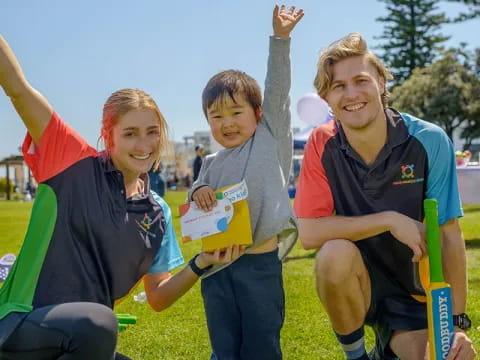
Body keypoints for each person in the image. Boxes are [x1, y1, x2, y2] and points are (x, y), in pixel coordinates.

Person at [0, 34, 242, 360]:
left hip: (83, 343)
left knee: (98, 326)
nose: (144, 145)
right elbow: (17, 86)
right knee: (99, 322)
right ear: (108, 134)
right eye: (130, 133)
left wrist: (202, 263)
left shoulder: (157, 212)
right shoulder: (71, 161)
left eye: (152, 132)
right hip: (19, 327)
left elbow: (157, 296)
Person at [294, 33, 476, 360]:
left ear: (380, 82)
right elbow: (308, 233)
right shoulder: (321, 143)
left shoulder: (428, 139)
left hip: (414, 288)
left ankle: (390, 345)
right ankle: (357, 356)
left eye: (361, 80)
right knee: (332, 254)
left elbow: (449, 236)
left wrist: (458, 324)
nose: (351, 94)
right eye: (338, 86)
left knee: (448, 357)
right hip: (359, 282)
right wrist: (389, 221)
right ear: (326, 97)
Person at [189, 5, 303, 360]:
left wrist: (280, 40)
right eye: (216, 116)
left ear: (257, 114)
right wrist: (199, 191)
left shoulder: (270, 139)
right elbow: (196, 199)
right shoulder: (208, 162)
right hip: (217, 269)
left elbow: (278, 90)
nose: (227, 123)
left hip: (259, 267)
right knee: (224, 345)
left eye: (236, 112)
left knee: (261, 345)